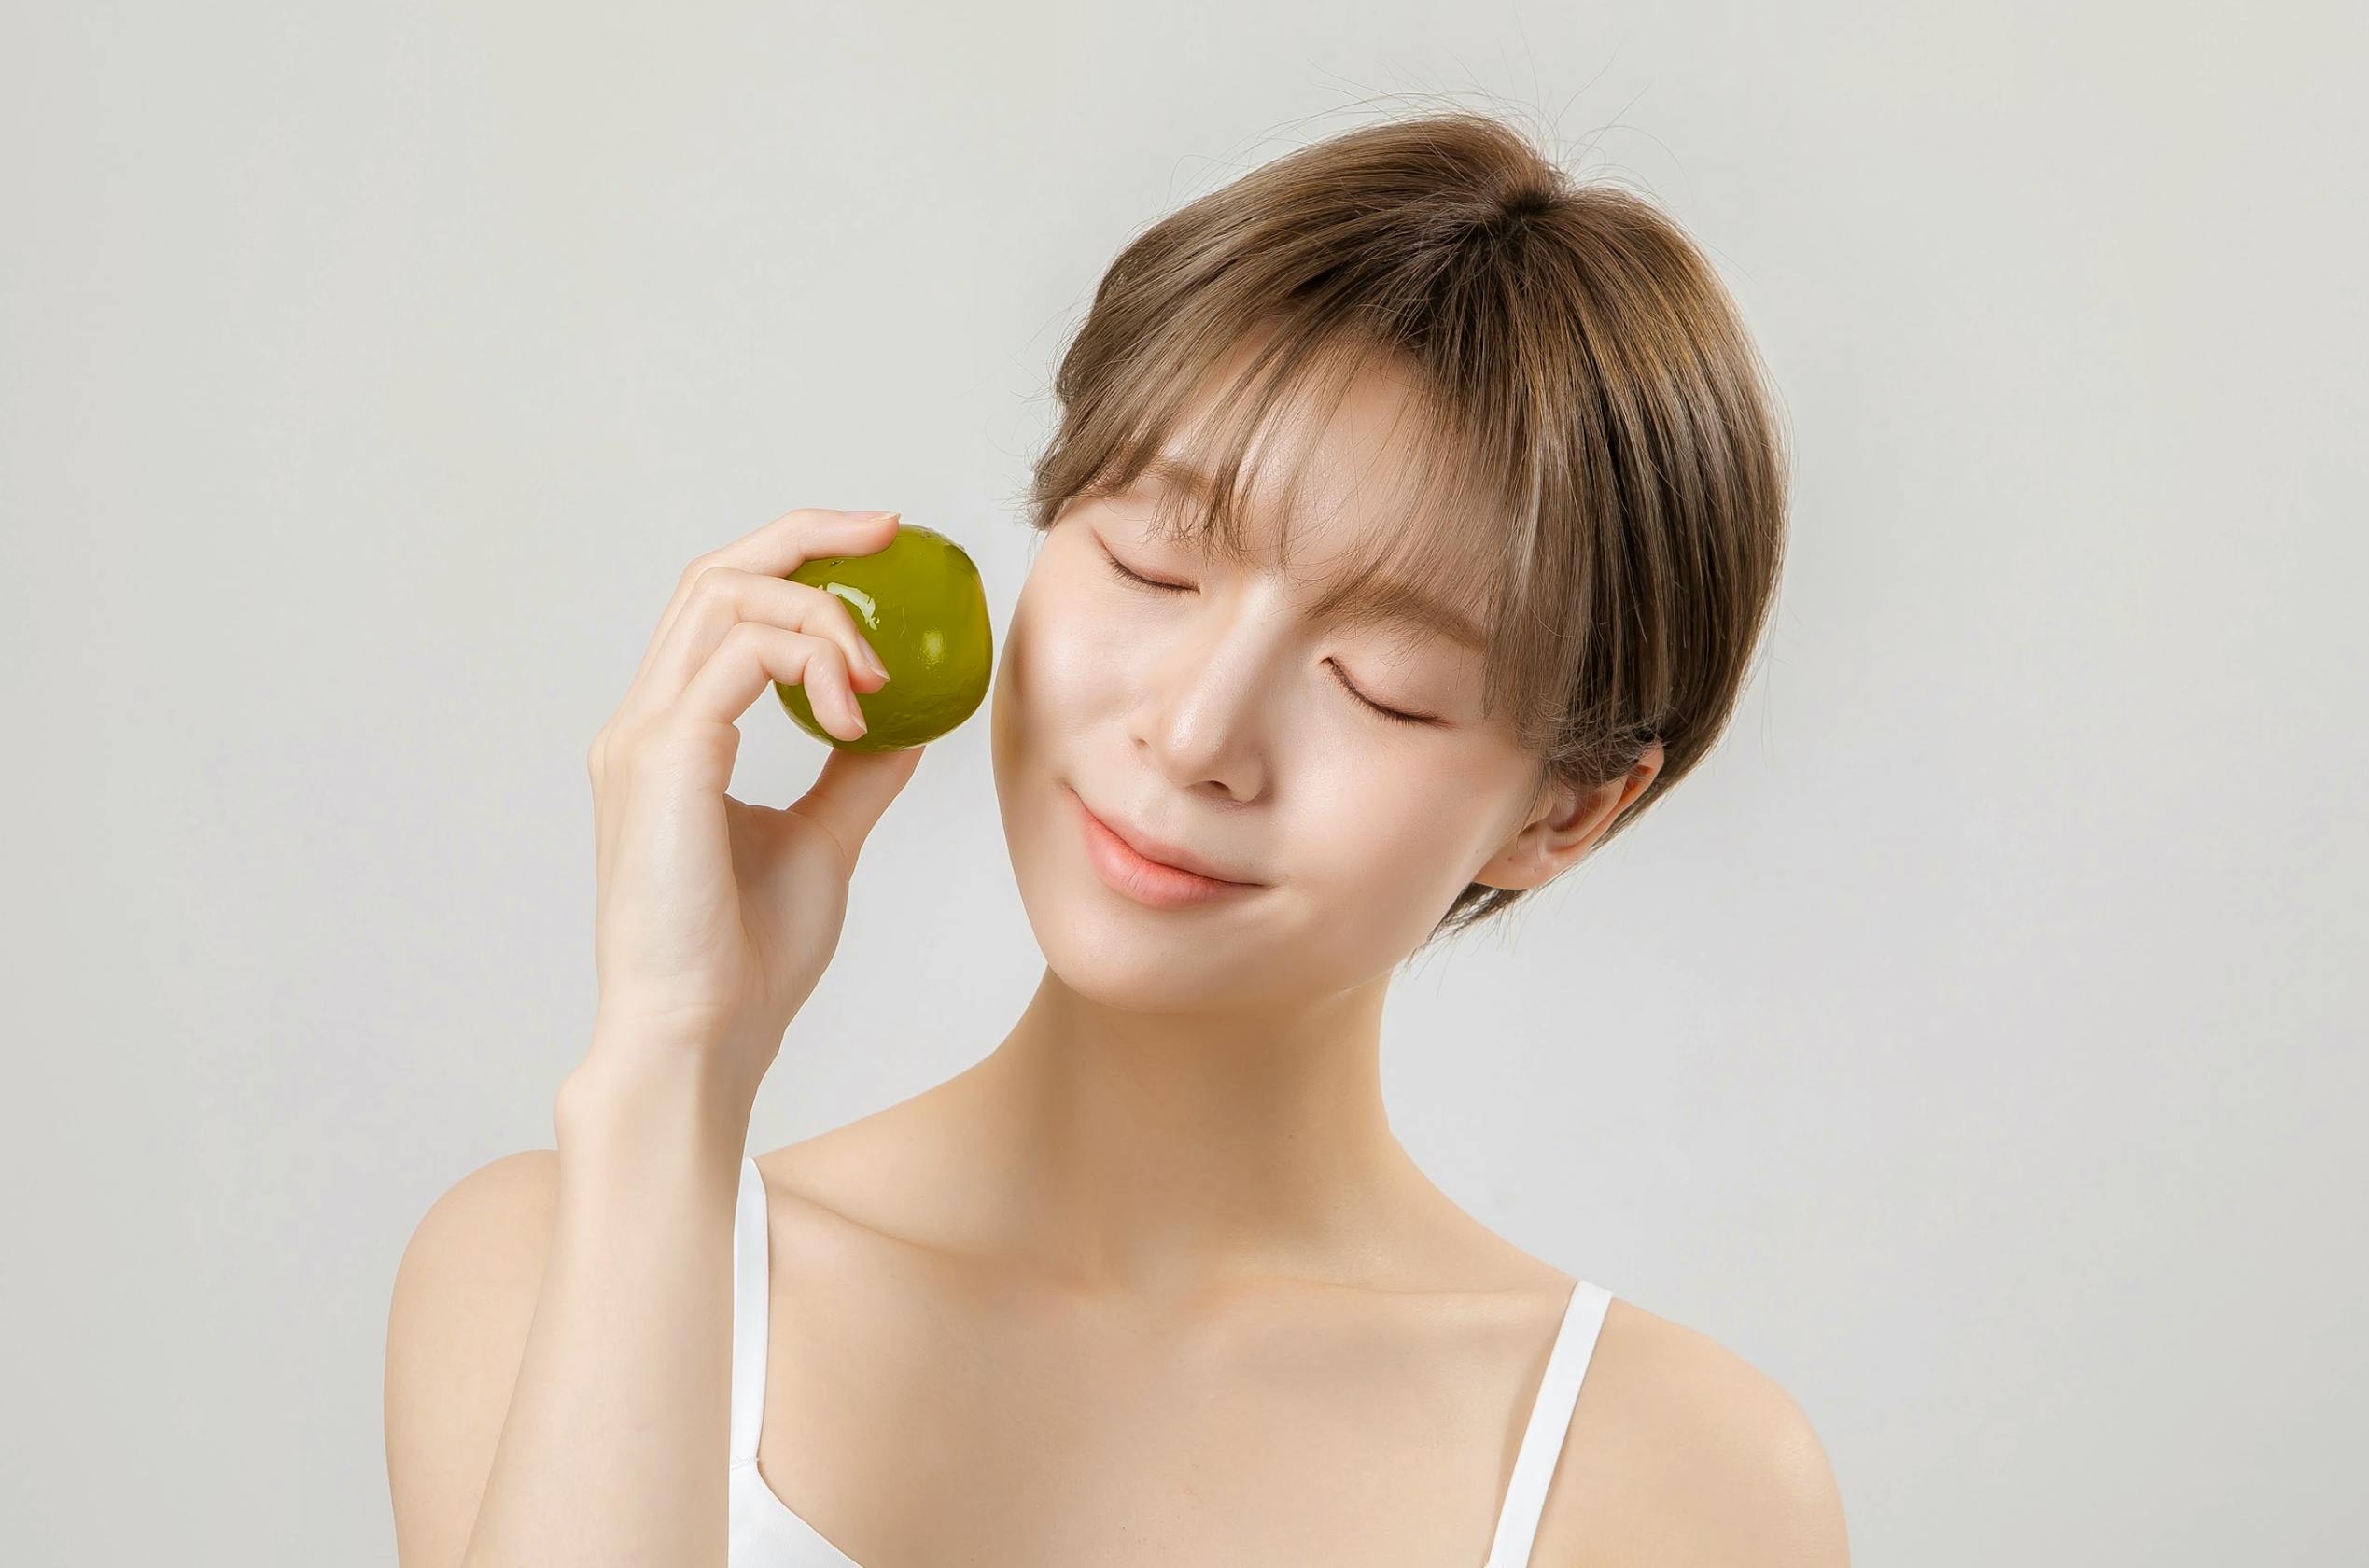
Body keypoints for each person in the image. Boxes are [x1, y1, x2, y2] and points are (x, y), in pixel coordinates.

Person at [384, 108, 1847, 1567]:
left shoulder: (1672, 1484)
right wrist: (672, 1067)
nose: (1198, 734)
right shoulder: (553, 1268)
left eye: (1379, 682)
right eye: (1153, 565)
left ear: (1563, 808)